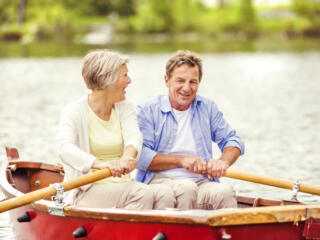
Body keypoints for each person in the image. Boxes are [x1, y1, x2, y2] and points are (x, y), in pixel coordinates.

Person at [136, 50, 245, 210]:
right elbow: (140, 157)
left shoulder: (207, 107)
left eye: (193, 82)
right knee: (186, 188)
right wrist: (182, 160)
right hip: (159, 181)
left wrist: (223, 162)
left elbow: (233, 141)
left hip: (202, 181)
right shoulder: (147, 110)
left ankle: (225, 235)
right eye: (180, 80)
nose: (186, 88)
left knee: (225, 191)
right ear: (167, 80)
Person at [57, 49, 155, 210]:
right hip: (85, 189)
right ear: (106, 80)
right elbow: (64, 148)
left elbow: (134, 136)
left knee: (161, 195)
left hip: (123, 186)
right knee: (142, 193)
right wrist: (102, 165)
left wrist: (127, 157)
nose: (129, 80)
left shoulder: (125, 106)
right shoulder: (74, 111)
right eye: (124, 75)